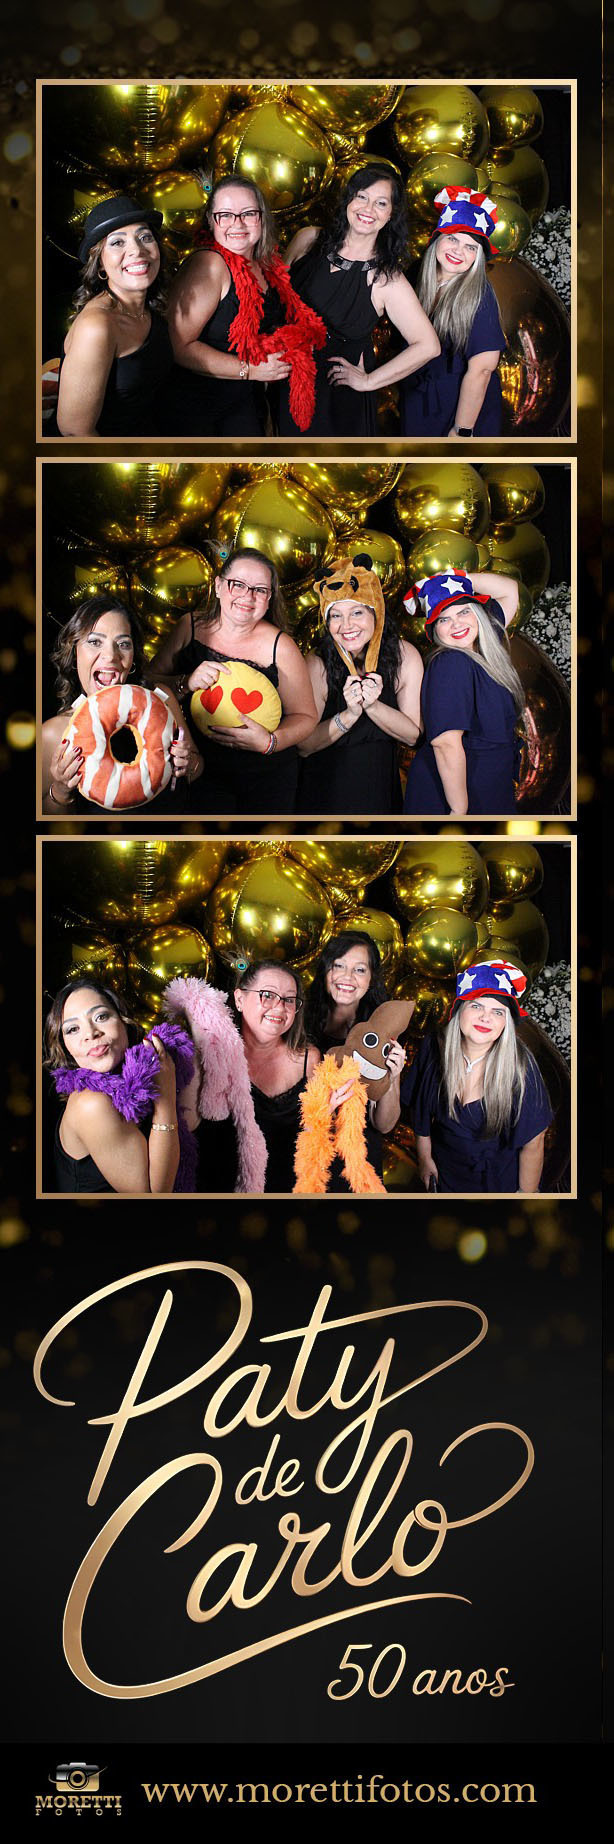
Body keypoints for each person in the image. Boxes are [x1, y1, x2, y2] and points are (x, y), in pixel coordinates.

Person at [146, 547, 317, 814]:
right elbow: (149, 682)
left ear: (269, 598)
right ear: (218, 586)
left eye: (260, 589)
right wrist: (186, 682)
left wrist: (270, 742)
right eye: (238, 584)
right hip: (199, 773)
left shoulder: (281, 647)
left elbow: (306, 716)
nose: (247, 596)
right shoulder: (189, 627)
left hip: (266, 780)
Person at [277, 162, 440, 437]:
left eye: (381, 203)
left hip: (333, 397)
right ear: (349, 199)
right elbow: (275, 297)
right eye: (362, 196)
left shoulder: (387, 279)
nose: (368, 209)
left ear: (391, 214)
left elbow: (428, 346)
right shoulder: (307, 239)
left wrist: (368, 381)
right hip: (283, 376)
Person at [164, 175, 326, 435]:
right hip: (200, 410)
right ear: (211, 221)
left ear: (262, 218)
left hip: (245, 401)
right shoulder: (209, 264)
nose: (237, 223)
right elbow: (177, 346)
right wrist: (249, 370)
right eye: (225, 215)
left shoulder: (267, 264)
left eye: (248, 213)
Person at [402, 960, 553, 1193]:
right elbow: (419, 1107)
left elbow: (533, 1142)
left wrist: (524, 1196)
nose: (485, 1017)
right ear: (459, 1010)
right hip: (444, 1174)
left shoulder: (521, 1068)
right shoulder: (433, 1047)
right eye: (476, 1006)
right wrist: (424, 1158)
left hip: (497, 1184)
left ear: (506, 1023)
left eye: (497, 1012)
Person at [41, 595, 201, 815]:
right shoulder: (55, 733)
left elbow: (198, 768)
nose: (110, 656)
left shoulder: (161, 701)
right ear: (74, 650)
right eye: (95, 642)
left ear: (133, 655)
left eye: (123, 644)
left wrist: (189, 764)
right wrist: (60, 790)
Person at [297, 552, 423, 815]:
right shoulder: (316, 663)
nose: (347, 625)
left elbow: (412, 736)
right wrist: (350, 714)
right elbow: (304, 746)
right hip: (325, 793)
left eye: (356, 612)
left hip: (380, 791)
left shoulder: (404, 655)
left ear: (376, 612)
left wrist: (373, 706)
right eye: (336, 616)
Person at [44, 980, 196, 1193]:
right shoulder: (90, 1104)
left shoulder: (136, 1081)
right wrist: (165, 1099)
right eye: (73, 1029)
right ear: (65, 1046)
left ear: (123, 1020)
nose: (90, 1033)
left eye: (101, 1017)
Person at [402, 570, 523, 816]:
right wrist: (459, 809)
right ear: (435, 630)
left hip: (487, 785)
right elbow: (445, 743)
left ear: (478, 615)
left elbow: (510, 590)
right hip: (460, 792)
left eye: (464, 611)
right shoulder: (451, 662)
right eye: (443, 619)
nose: (456, 624)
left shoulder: (482, 648)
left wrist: (456, 576)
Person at [54, 195, 174, 437]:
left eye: (145, 237)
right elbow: (76, 434)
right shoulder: (97, 326)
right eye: (118, 242)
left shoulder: (151, 306)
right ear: (100, 264)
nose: (137, 250)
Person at [305, 931, 410, 1181]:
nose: (347, 977)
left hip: (356, 1164)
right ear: (325, 971)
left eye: (360, 970)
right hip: (306, 1155)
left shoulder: (382, 1032)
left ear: (371, 979)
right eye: (338, 965)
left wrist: (393, 1076)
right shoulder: (299, 1022)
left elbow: (384, 1124)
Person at [400, 186, 504, 437]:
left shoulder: (480, 295)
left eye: (471, 247)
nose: (458, 251)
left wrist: (462, 430)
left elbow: (482, 370)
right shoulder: (417, 276)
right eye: (453, 239)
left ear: (478, 257)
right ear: (437, 238)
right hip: (419, 399)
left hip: (462, 409)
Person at [232, 960, 322, 1193]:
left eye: (289, 1000)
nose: (280, 1008)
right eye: (268, 995)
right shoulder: (215, 1057)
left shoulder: (309, 1060)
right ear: (240, 999)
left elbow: (314, 1141)